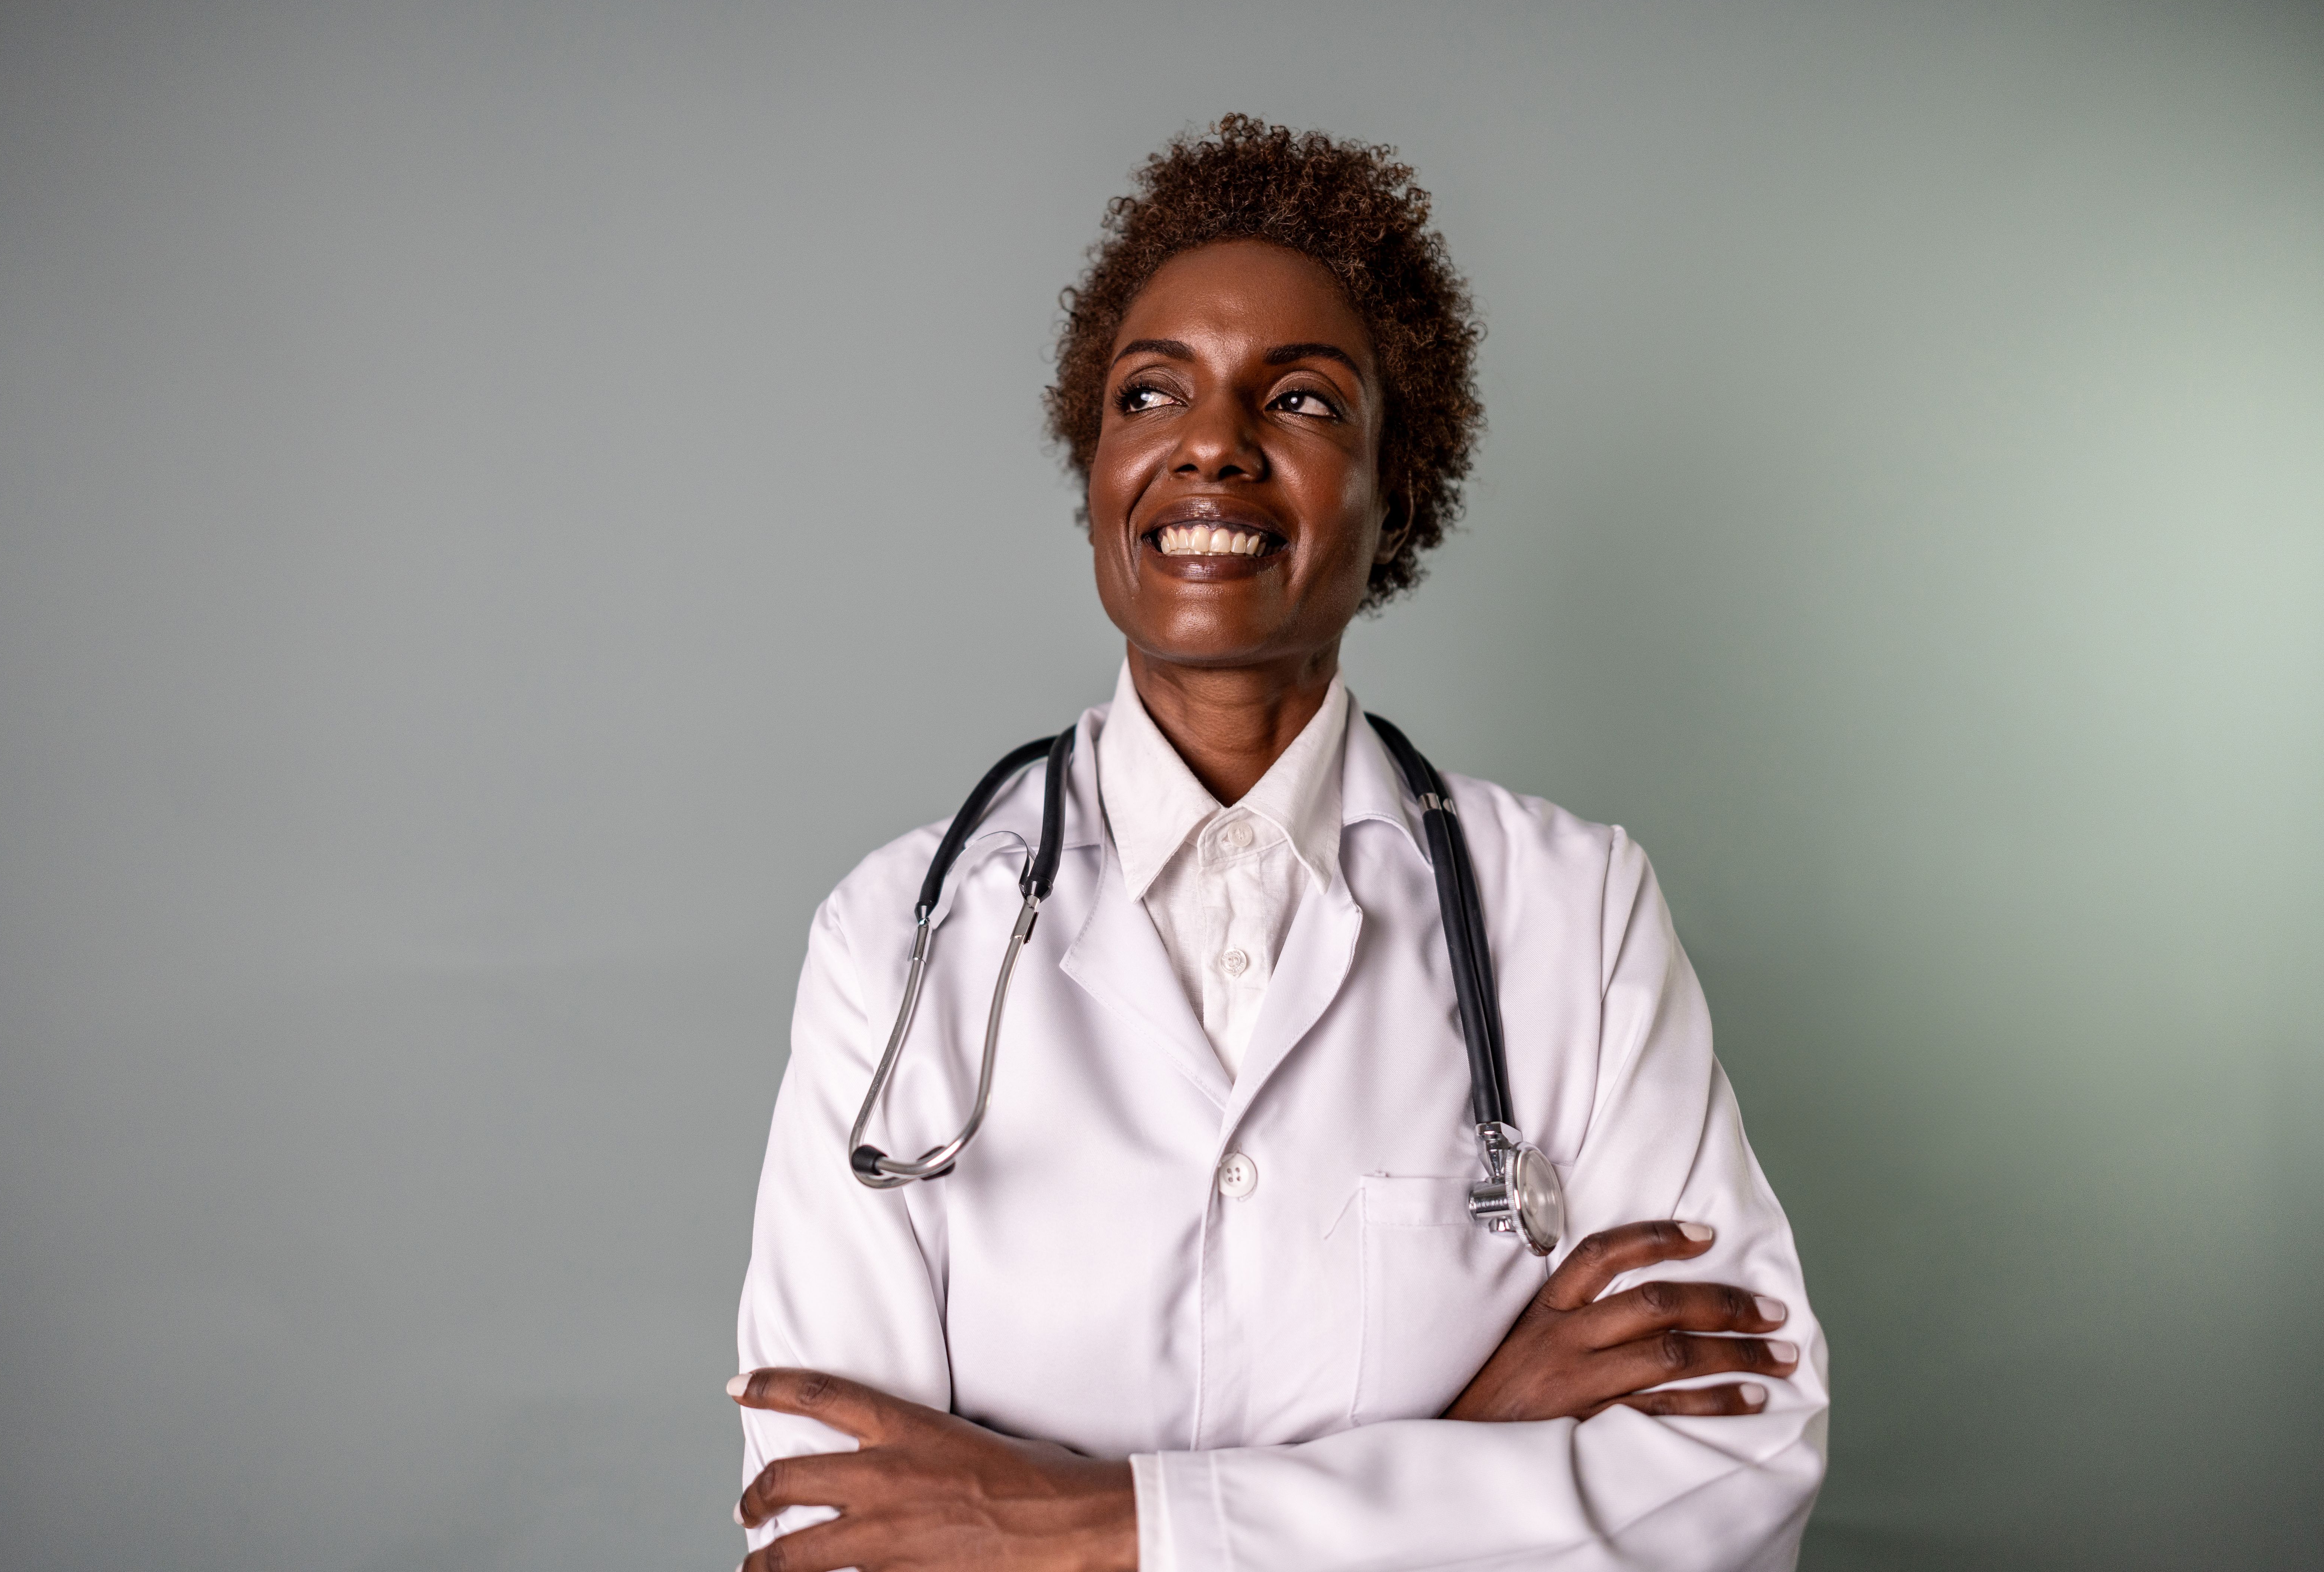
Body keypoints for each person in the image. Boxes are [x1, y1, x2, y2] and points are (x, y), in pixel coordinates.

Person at [732, 115, 1828, 1572]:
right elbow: (834, 1526)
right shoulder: (898, 937)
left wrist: (1097, 1522)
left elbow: (1731, 1464)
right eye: (1150, 394)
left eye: (1301, 400)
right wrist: (1474, 1438)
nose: (1211, 445)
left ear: (1395, 486)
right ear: (1097, 466)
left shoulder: (1575, 915)